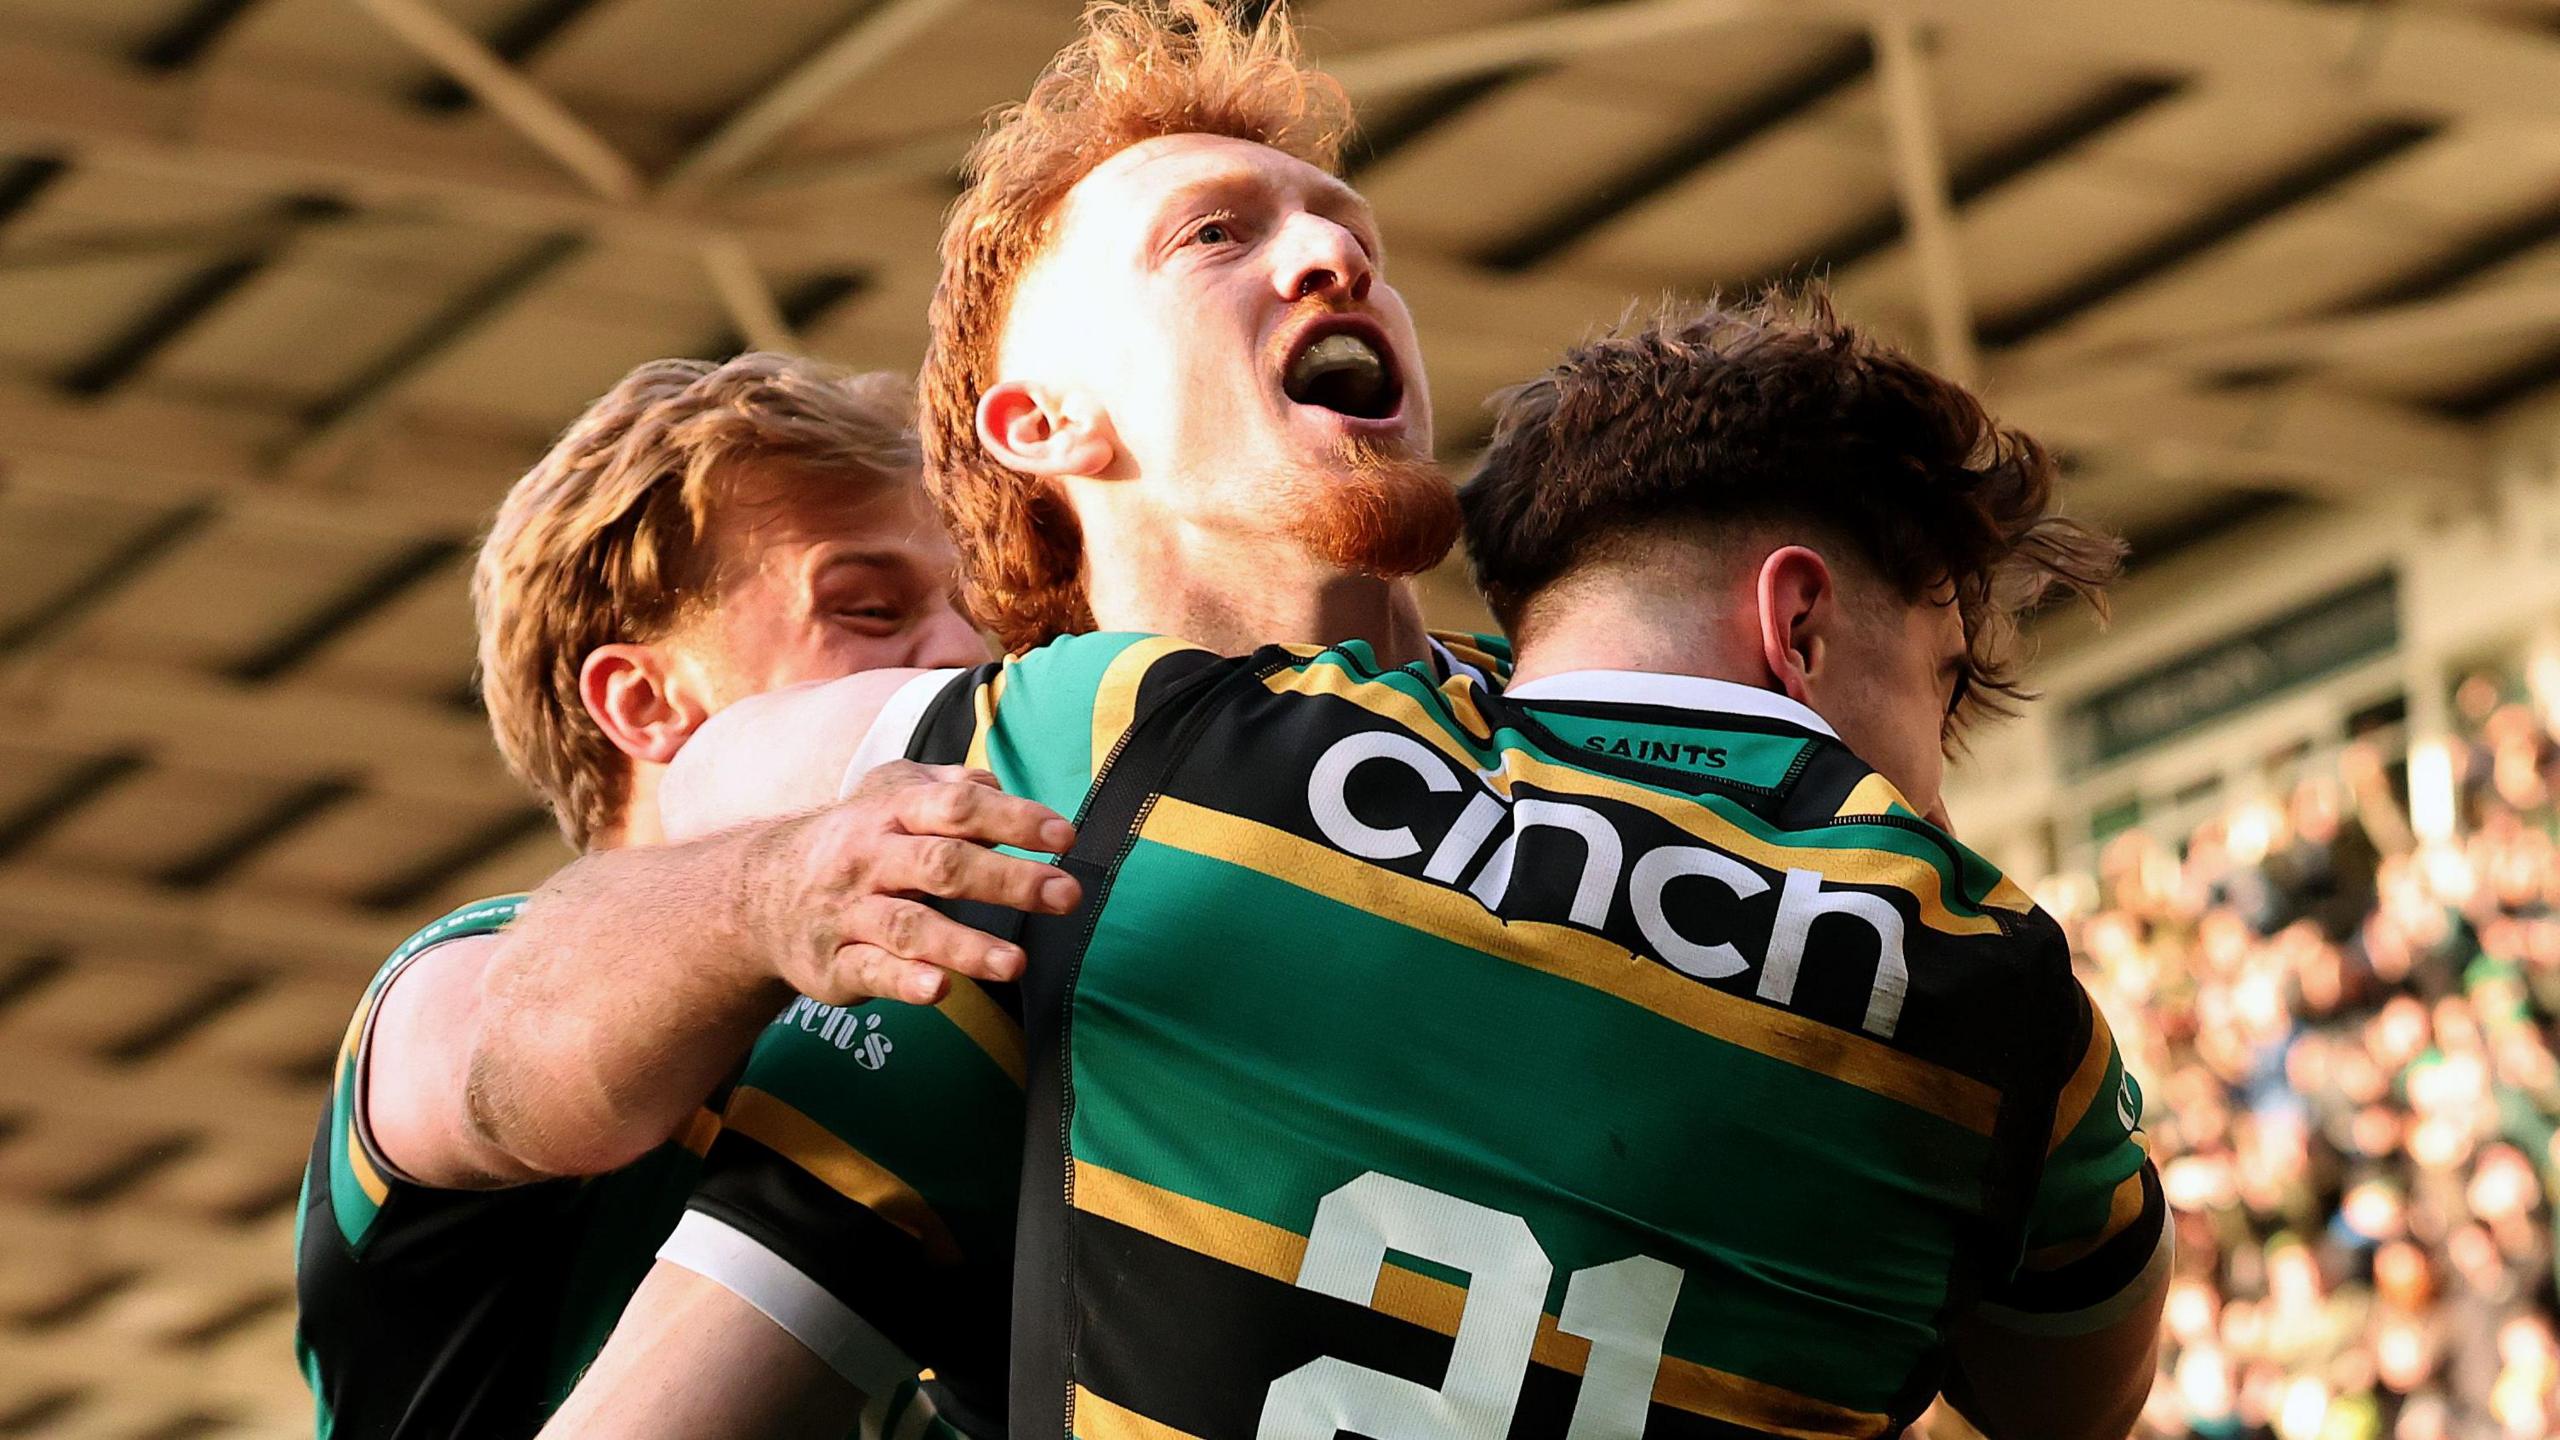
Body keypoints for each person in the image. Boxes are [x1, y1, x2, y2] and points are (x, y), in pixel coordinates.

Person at [557, 280, 2167, 1437]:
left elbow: (710, 784)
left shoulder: (1141, 745)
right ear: (1799, 620)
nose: (1933, 786)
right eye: (1940, 687)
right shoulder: (1998, 992)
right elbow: (2072, 1395)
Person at [293, 353, 1080, 1439]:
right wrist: (768, 890)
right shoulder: (452, 988)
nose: (962, 654)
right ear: (644, 700)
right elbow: (508, 1045)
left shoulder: (996, 1018)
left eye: (972, 610)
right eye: (866, 607)